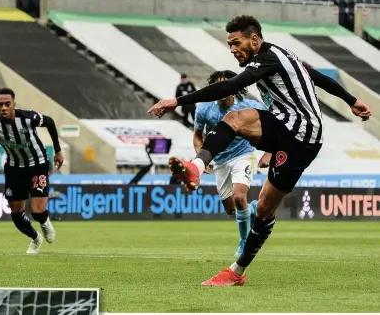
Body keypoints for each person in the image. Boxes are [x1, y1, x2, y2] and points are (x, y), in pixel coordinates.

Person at [148, 15, 371, 286]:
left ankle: (235, 266)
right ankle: (235, 268)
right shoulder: (284, 54)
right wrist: (352, 101)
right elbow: (319, 78)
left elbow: (230, 86)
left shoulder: (269, 58)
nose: (232, 49)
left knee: (263, 202)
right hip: (289, 129)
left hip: (300, 134)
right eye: (229, 44)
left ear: (254, 39)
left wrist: (178, 101)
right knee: (238, 132)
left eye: (236, 42)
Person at [0, 88, 64, 255]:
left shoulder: (28, 118)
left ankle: (45, 223)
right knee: (16, 213)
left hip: (38, 164)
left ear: (14, 104)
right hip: (14, 168)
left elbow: (49, 122)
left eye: (7, 104)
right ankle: (35, 238)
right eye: (0, 105)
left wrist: (57, 150)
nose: (4, 108)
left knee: (37, 211)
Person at [193, 70, 271, 257]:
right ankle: (252, 209)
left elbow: (272, 126)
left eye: (225, 87)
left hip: (243, 155)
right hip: (219, 160)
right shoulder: (204, 109)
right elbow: (197, 136)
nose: (221, 91)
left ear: (234, 88)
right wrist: (201, 160)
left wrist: (268, 152)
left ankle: (245, 243)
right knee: (231, 209)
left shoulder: (248, 107)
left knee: (238, 197)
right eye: (216, 87)